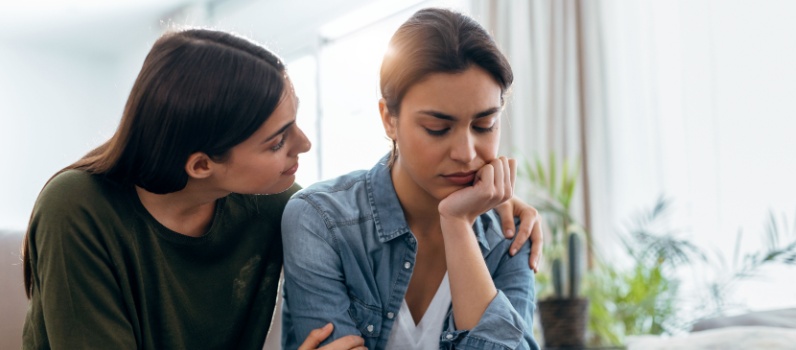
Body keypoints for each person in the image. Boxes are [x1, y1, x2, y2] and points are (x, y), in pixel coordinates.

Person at [20, 27, 541, 349]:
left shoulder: (278, 207)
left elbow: (361, 205)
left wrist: (475, 208)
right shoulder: (77, 208)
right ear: (202, 165)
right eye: (277, 141)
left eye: (483, 124)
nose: (305, 144)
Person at [281, 7, 540, 350]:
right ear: (389, 119)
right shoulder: (321, 221)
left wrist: (458, 223)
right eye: (437, 128)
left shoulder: (509, 237)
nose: (465, 152)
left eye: (484, 126)